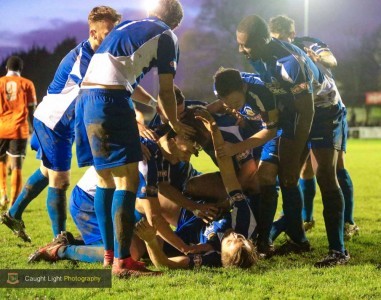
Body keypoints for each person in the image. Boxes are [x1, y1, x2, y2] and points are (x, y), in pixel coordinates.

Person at [74, 0, 196, 278]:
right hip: (112, 98)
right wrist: (174, 123)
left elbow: (118, 66)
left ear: (151, 13)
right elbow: (167, 90)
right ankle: (123, 262)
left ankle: (110, 257)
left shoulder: (127, 24)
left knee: (105, 179)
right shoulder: (167, 35)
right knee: (127, 180)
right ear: (175, 23)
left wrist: (149, 104)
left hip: (87, 98)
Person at [0, 6, 122, 242]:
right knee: (61, 180)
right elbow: (109, 87)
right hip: (53, 122)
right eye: (108, 34)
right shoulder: (83, 59)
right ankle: (59, 239)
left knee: (47, 172)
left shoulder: (99, 57)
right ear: (93, 33)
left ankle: (13, 213)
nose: (112, 40)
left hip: (58, 122)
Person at [236, 15, 349, 267]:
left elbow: (308, 110)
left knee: (325, 176)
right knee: (283, 177)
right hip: (295, 112)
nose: (241, 50)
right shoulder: (257, 57)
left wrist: (296, 149)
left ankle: (338, 251)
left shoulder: (291, 61)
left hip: (323, 111)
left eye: (245, 44)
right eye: (239, 44)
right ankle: (297, 240)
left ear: (263, 40)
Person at [268, 15, 359, 240]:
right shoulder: (271, 54)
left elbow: (332, 61)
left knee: (334, 168)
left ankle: (348, 222)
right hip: (302, 111)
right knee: (304, 169)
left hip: (327, 109)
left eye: (287, 38)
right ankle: (305, 219)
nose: (284, 43)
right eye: (277, 39)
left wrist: (317, 58)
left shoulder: (308, 43)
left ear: (293, 34)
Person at [0, 56, 37, 210]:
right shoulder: (27, 83)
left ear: (7, 68)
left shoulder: (0, 82)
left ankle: (3, 194)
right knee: (17, 166)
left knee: (1, 162)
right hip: (19, 129)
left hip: (1, 128)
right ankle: (14, 203)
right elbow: (32, 108)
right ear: (20, 69)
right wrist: (34, 128)